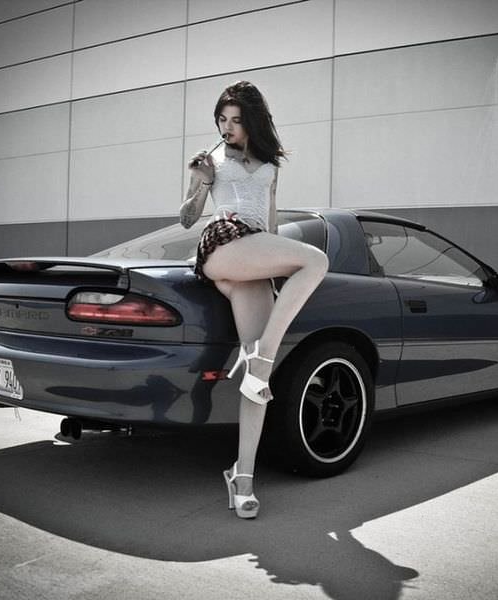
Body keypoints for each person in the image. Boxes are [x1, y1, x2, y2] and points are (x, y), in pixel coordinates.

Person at [179, 81, 328, 519]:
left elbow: (272, 227)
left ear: (253, 122)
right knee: (316, 260)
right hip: (223, 241)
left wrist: (274, 273)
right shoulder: (211, 160)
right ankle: (263, 357)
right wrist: (202, 183)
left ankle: (242, 477)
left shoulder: (270, 165)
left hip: (255, 256)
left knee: (256, 385)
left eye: (236, 120)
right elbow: (186, 218)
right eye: (222, 120)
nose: (227, 128)